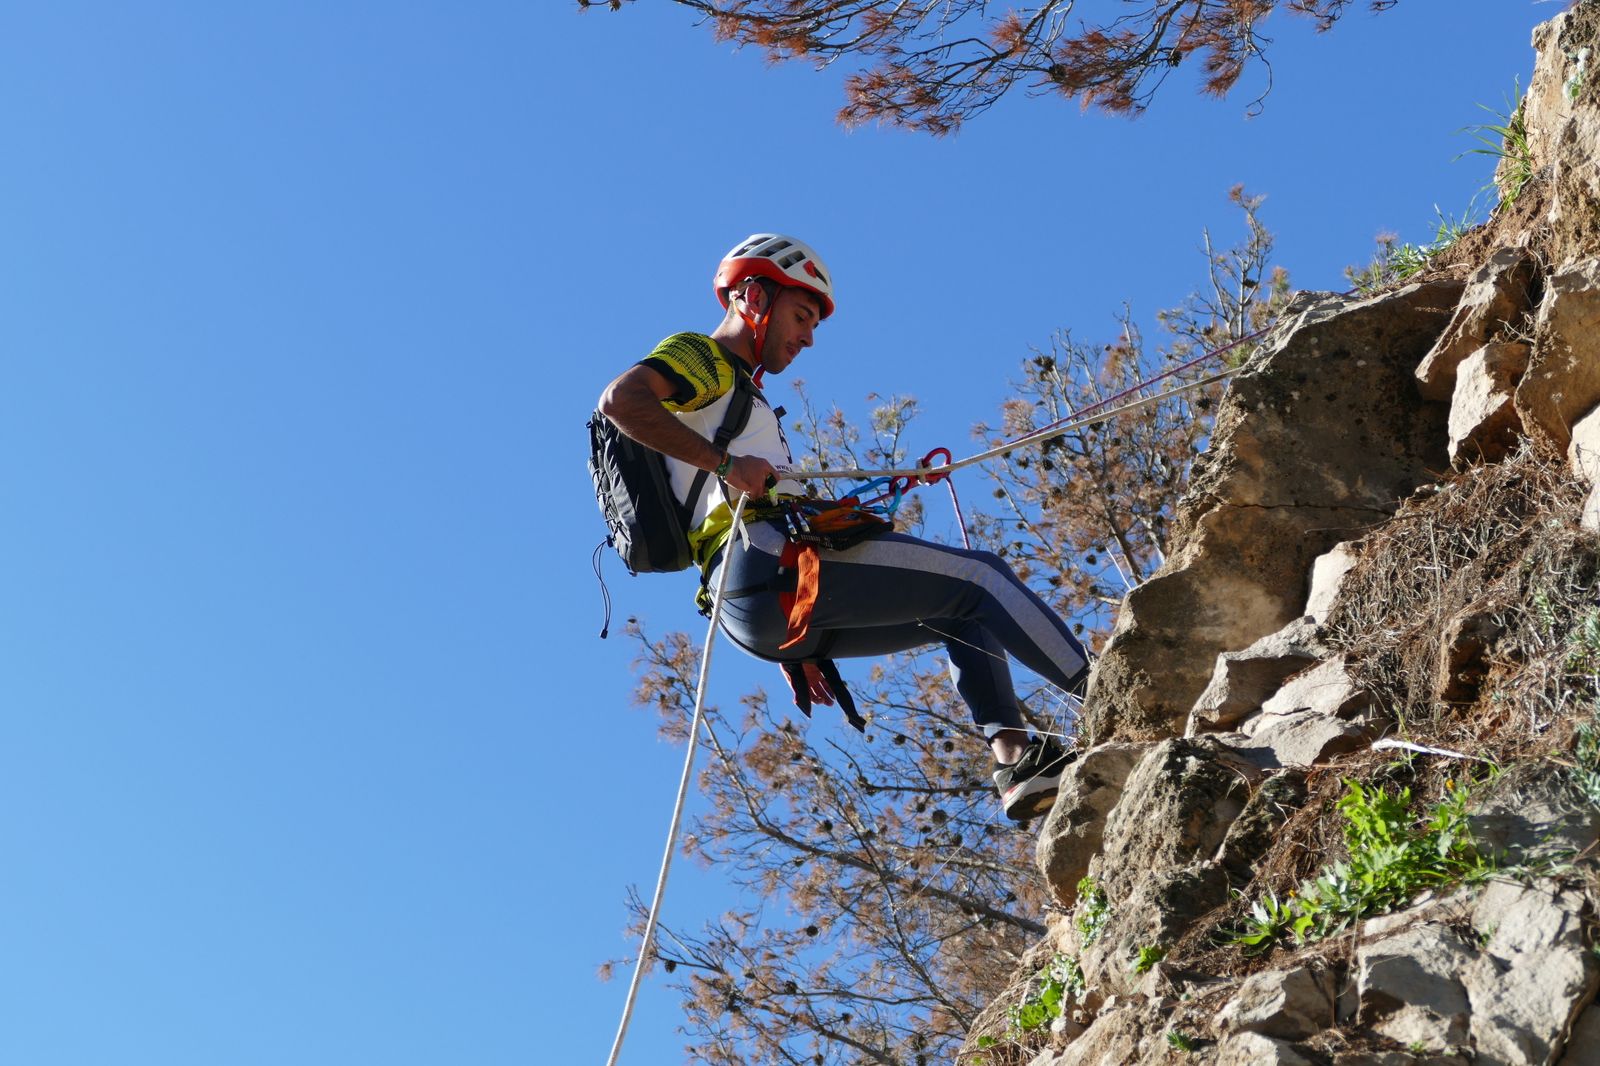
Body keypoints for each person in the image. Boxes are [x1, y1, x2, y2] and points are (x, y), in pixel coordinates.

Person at [597, 233, 1091, 820]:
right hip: (768, 565)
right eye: (801, 315)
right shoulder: (705, 359)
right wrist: (728, 465)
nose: (807, 337)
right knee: (981, 579)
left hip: (759, 600)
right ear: (752, 297)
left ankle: (1018, 763)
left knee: (961, 611)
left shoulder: (743, 405)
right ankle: (1117, 694)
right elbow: (621, 400)